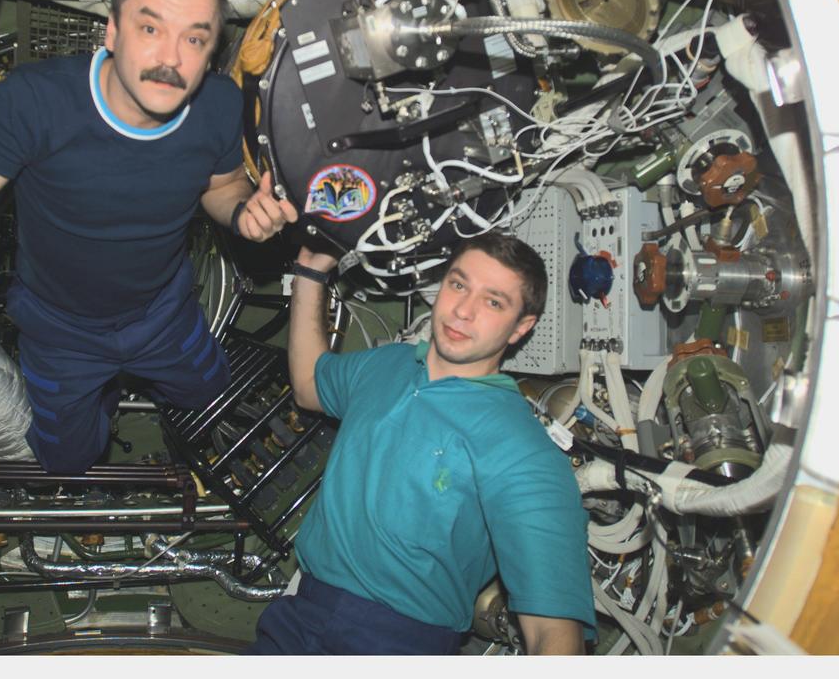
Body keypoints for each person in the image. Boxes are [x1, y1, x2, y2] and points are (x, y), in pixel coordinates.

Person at [0, 0, 298, 472]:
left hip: (163, 314)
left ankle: (143, 382)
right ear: (111, 31)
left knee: (208, 393)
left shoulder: (220, 106)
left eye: (194, 39)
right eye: (151, 28)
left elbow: (221, 185)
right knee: (68, 460)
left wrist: (243, 211)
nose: (171, 59)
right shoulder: (34, 103)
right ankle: (101, 401)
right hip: (59, 329)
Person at [250, 232, 595, 655]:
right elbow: (308, 385)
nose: (464, 310)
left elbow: (553, 633)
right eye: (458, 284)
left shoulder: (523, 450)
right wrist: (310, 274)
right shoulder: (387, 364)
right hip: (298, 616)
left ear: (521, 327)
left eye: (493, 302)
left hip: (397, 641)